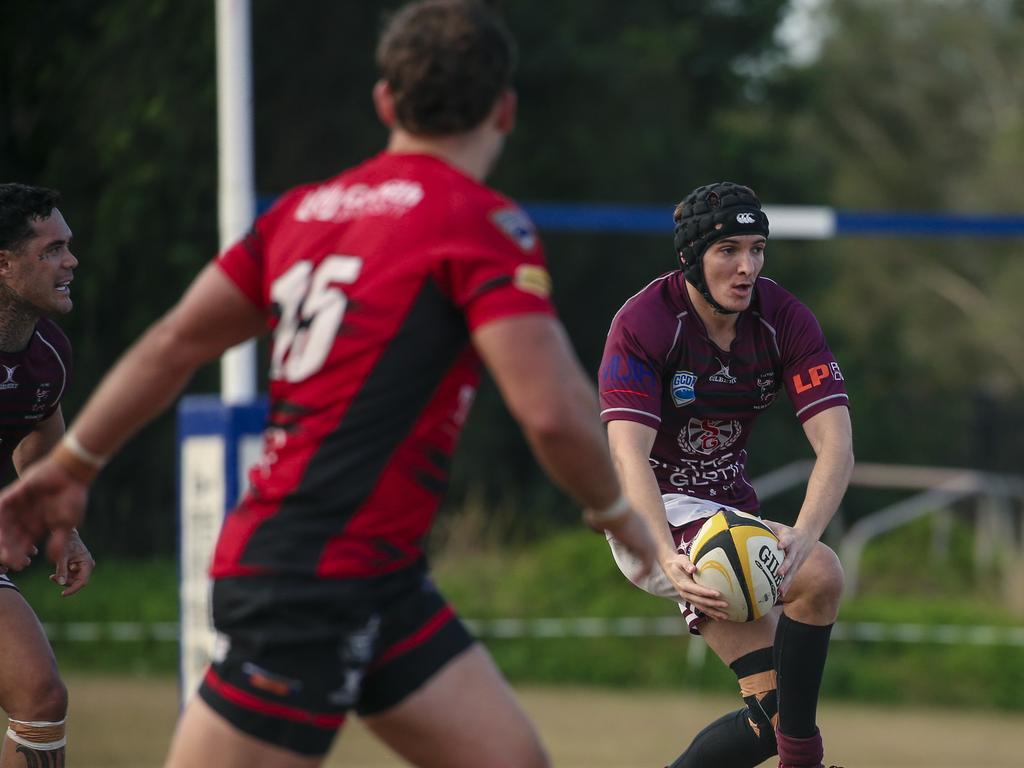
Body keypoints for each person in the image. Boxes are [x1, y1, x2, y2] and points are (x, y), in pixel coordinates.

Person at [0, 3, 657, 767]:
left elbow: (173, 342)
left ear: (384, 103)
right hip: (313, 572)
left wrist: (75, 464)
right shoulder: (476, 221)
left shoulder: (303, 212)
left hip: (380, 573)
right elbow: (551, 412)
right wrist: (619, 515)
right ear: (505, 109)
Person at [598, 182, 853, 768]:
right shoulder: (645, 322)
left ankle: (792, 748)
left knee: (769, 718)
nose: (747, 267)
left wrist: (805, 530)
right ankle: (804, 760)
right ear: (691, 257)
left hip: (728, 511)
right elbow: (627, 455)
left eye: (757, 248)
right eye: (728, 250)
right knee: (823, 575)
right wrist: (663, 553)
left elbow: (836, 444)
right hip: (654, 514)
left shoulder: (782, 317)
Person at [0, 183, 96, 767]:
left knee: (40, 695)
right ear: (4, 264)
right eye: (52, 250)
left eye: (69, 246)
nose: (71, 262)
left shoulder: (48, 355)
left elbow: (37, 446)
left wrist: (63, 529)